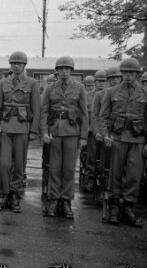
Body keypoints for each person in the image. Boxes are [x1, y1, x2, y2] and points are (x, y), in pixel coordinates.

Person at [99, 58, 147, 228]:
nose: (128, 75)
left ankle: (128, 208)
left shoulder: (145, 93)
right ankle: (113, 206)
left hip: (137, 140)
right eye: (125, 72)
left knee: (134, 175)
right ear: (121, 74)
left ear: (137, 74)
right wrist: (105, 135)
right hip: (117, 139)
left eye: (131, 73)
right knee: (114, 174)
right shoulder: (111, 92)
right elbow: (103, 117)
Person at [0, 51, 40, 212]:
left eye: (19, 63)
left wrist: (33, 130)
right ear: (10, 66)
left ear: (24, 65)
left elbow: (36, 109)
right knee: (4, 164)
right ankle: (4, 193)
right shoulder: (4, 82)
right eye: (14, 63)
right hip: (5, 127)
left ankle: (14, 194)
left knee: (19, 164)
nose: (16, 66)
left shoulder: (32, 83)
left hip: (22, 128)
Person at [40, 56, 88, 219]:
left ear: (71, 71)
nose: (64, 72)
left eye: (67, 69)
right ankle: (53, 198)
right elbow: (44, 112)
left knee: (68, 168)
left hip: (72, 132)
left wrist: (83, 137)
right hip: (54, 132)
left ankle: (66, 200)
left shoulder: (79, 88)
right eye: (61, 69)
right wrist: (44, 132)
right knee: (54, 167)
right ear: (57, 71)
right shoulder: (50, 88)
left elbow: (84, 113)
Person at [83, 70, 107, 191]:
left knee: (104, 157)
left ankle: (102, 179)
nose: (101, 84)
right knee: (91, 156)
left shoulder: (109, 94)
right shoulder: (87, 96)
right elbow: (85, 114)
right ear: (95, 81)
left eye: (104, 81)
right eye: (99, 81)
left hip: (104, 130)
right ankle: (90, 178)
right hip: (91, 130)